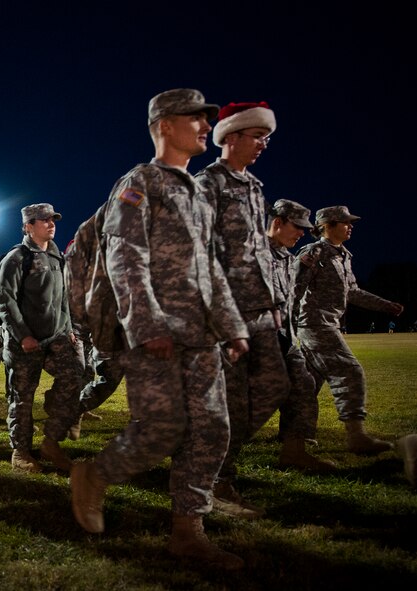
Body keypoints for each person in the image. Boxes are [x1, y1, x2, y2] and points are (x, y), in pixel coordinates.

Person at [69, 89, 249, 570]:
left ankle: (187, 532)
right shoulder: (138, 183)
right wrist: (145, 324)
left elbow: (211, 267)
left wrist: (232, 326)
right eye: (195, 118)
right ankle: (95, 475)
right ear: (164, 125)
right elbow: (125, 255)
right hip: (156, 333)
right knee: (162, 429)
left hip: (201, 332)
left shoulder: (197, 193)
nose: (205, 126)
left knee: (212, 429)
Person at [195, 101, 290, 518]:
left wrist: (275, 302)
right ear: (231, 138)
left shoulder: (253, 186)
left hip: (260, 312)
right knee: (227, 405)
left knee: (275, 387)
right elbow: (201, 254)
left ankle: (214, 465)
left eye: (266, 138)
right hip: (225, 316)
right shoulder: (207, 184)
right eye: (257, 137)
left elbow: (257, 253)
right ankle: (214, 481)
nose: (264, 145)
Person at [293, 206, 404, 454]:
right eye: (345, 222)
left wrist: (385, 305)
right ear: (327, 226)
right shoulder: (314, 252)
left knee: (308, 384)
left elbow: (352, 292)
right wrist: (288, 328)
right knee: (350, 371)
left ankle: (297, 435)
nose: (350, 226)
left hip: (328, 323)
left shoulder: (343, 256)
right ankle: (356, 436)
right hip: (314, 324)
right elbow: (294, 290)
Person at [0, 202, 83, 472]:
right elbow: (5, 302)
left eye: (52, 219)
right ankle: (20, 452)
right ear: (28, 226)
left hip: (56, 337)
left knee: (75, 377)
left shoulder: (58, 257)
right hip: (25, 343)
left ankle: (51, 441)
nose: (51, 223)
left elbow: (64, 299)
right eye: (43, 220)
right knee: (22, 398)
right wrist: (22, 336)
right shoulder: (17, 258)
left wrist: (69, 329)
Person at [267, 199, 335, 471]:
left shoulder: (286, 257)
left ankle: (294, 452)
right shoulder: (251, 251)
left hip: (283, 337)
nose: (301, 234)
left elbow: (290, 298)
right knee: (240, 405)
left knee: (303, 385)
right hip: (251, 338)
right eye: (297, 227)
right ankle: (215, 471)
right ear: (277, 223)